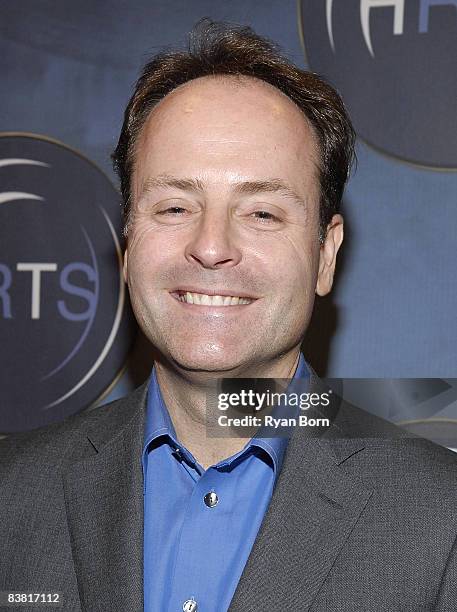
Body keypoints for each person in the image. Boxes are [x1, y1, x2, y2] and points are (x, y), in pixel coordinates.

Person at [1, 18, 457, 612]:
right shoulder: (13, 498)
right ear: (128, 242)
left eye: (262, 213)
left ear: (325, 254)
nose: (211, 246)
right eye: (174, 206)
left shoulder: (439, 521)